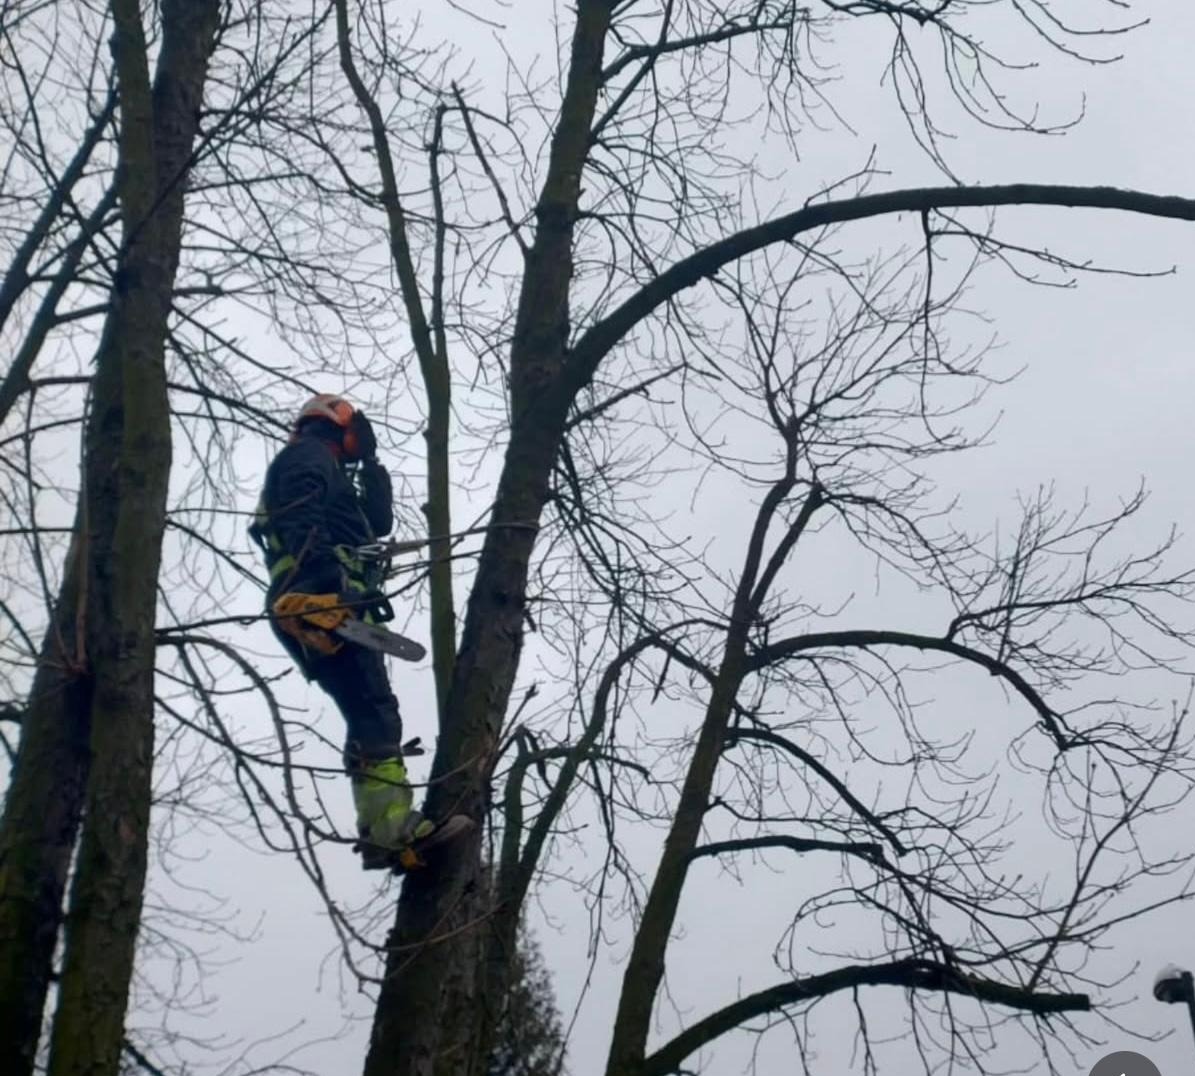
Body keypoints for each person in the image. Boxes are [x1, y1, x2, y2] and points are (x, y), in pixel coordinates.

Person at [250, 393, 434, 865]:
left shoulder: (333, 475)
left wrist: (371, 465)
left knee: (366, 712)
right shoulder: (308, 456)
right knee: (375, 709)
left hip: (324, 599)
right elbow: (301, 513)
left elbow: (377, 523)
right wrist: (327, 583)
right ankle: (391, 826)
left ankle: (379, 831)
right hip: (315, 595)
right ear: (336, 424)